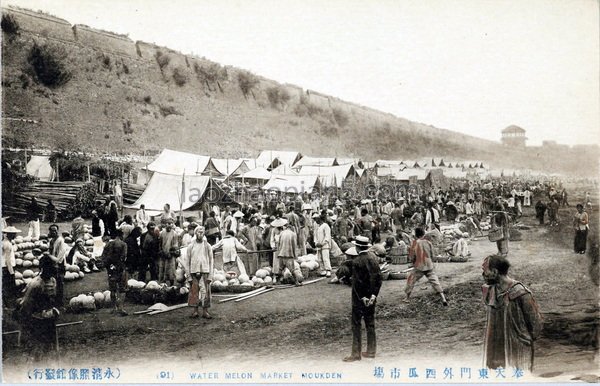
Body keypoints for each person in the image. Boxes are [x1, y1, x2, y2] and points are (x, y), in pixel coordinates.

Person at [482, 255, 543, 371]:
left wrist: (522, 339)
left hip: (518, 352)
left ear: (495, 272)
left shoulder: (521, 293)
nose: (483, 275)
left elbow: (536, 325)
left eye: (485, 271)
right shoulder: (490, 291)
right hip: (496, 352)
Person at [343, 236, 382, 362]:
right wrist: (373, 295)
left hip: (359, 299)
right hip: (372, 298)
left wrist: (362, 297)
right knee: (370, 323)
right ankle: (371, 351)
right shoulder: (374, 258)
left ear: (357, 247)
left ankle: (356, 354)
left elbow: (357, 283)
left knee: (356, 324)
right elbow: (378, 279)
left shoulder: (357, 261)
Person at [17, 254, 60, 361]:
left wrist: (52, 312)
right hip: (37, 323)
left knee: (51, 352)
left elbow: (52, 300)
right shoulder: (35, 285)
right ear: (46, 267)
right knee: (38, 354)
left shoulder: (53, 281)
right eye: (55, 265)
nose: (57, 267)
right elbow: (25, 307)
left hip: (49, 321)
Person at [404, 227, 448, 306]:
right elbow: (432, 255)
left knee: (410, 279)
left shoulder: (414, 243)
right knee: (435, 282)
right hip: (429, 265)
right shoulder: (428, 242)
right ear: (423, 234)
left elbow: (412, 257)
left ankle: (407, 298)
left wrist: (413, 262)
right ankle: (443, 298)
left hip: (419, 266)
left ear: (416, 235)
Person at [184, 226, 214, 319]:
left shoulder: (207, 246)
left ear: (204, 233)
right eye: (198, 232)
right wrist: (188, 275)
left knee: (206, 292)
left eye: (202, 232)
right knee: (194, 291)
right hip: (193, 272)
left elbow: (211, 260)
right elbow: (187, 261)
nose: (200, 234)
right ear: (195, 233)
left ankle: (205, 311)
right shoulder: (190, 246)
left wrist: (210, 275)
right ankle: (195, 311)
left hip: (205, 271)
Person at [102, 230, 128, 316]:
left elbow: (103, 256)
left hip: (111, 269)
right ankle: (121, 308)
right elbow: (124, 257)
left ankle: (114, 308)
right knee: (122, 289)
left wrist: (108, 266)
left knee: (112, 289)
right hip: (120, 268)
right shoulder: (123, 244)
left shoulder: (108, 244)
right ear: (121, 235)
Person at [275, 220, 303, 285]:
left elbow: (278, 244)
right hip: (289, 254)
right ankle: (296, 282)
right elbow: (294, 245)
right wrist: (295, 255)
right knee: (292, 269)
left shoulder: (281, 233)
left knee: (280, 268)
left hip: (281, 253)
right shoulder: (293, 234)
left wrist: (279, 252)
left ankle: (277, 281)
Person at [47, 225, 68, 307]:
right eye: (52, 230)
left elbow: (62, 253)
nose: (53, 232)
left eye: (55, 230)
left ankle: (60, 301)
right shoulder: (51, 240)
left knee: (60, 282)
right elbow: (50, 251)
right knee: (54, 282)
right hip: (53, 263)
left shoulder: (60, 240)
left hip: (60, 264)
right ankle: (55, 299)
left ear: (57, 231)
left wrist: (57, 262)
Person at [2, 226, 20, 307]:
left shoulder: (5, 242)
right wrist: (11, 272)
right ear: (10, 234)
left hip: (6, 267)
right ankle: (7, 304)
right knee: (8, 287)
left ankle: (7, 303)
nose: (15, 235)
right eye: (14, 234)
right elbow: (8, 260)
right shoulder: (8, 244)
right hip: (7, 268)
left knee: (6, 287)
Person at [159, 220, 179, 285]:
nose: (169, 225)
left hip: (171, 255)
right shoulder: (162, 233)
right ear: (165, 224)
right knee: (162, 270)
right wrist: (161, 251)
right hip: (163, 255)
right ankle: (162, 285)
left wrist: (171, 253)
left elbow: (175, 245)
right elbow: (160, 243)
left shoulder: (175, 234)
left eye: (171, 224)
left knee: (171, 272)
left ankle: (172, 285)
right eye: (168, 223)